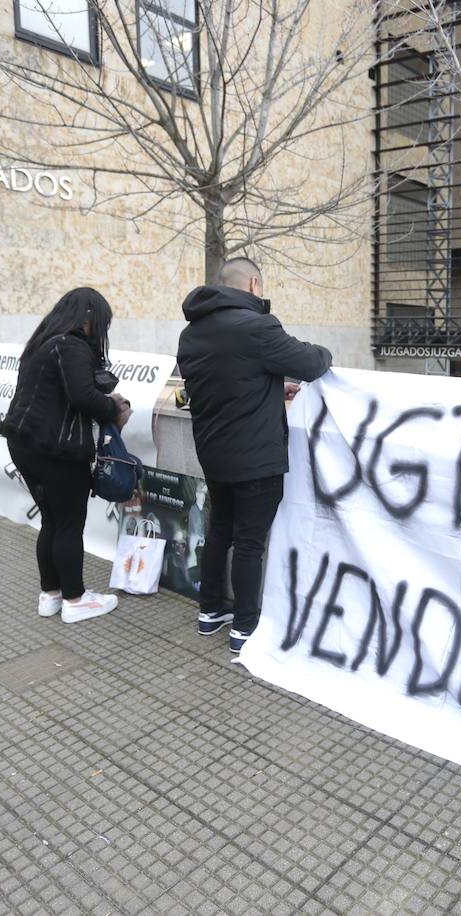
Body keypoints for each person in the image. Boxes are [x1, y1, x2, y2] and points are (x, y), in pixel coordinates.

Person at [176, 257, 332, 654]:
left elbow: (222, 383)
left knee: (220, 530)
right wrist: (325, 352)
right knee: (249, 543)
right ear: (253, 284)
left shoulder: (192, 334)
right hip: (254, 458)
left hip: (214, 455)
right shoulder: (257, 327)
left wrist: (270, 391)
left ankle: (210, 611)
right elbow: (310, 363)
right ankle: (245, 626)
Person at [0, 287, 133, 624]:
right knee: (70, 524)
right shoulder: (71, 345)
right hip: (57, 449)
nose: (102, 331)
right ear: (88, 319)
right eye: (102, 322)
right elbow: (83, 396)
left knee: (52, 521)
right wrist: (113, 408)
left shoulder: (43, 343)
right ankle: (75, 599)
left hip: (25, 444)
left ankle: (51, 594)